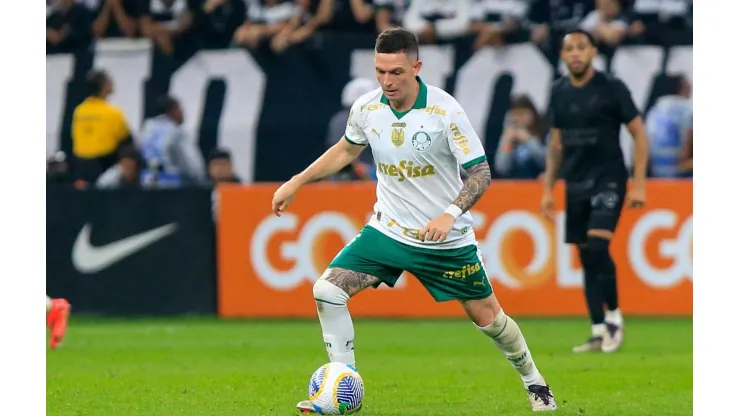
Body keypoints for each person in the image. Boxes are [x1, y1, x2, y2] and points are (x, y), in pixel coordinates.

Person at [272, 28, 557, 413]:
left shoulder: (444, 111)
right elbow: (345, 150)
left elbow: (480, 173)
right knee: (327, 291)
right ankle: (341, 388)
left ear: (416, 67)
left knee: (489, 319)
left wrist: (449, 213)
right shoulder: (367, 109)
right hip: (387, 231)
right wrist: (296, 181)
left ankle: (535, 382)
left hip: (445, 241)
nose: (387, 81)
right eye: (380, 72)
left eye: (396, 72)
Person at [541, 29, 648, 354]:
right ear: (562, 55)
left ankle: (614, 317)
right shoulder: (558, 91)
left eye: (581, 47)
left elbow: (638, 133)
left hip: (609, 179)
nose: (575, 53)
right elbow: (556, 143)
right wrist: (548, 188)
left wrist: (639, 183)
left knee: (599, 245)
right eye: (569, 48)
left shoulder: (611, 88)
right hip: (576, 183)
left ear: (593, 52)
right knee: (585, 255)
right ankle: (598, 330)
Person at [71, 69, 133, 183]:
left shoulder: (79, 111)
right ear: (105, 86)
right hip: (104, 163)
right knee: (131, 151)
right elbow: (126, 137)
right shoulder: (112, 113)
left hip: (80, 164)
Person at [139, 95, 208, 188]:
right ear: (173, 110)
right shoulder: (176, 132)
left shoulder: (146, 130)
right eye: (180, 109)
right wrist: (201, 181)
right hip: (174, 186)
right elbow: (193, 165)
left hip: (148, 183)